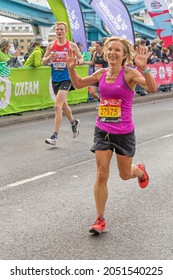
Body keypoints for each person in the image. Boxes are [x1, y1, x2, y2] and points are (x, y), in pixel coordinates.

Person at [66, 36, 157, 234]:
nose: (113, 53)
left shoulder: (130, 74)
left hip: (124, 133)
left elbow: (152, 88)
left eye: (117, 50)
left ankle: (139, 171)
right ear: (106, 53)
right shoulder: (101, 73)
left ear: (125, 55)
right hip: (103, 131)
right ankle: (100, 219)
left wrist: (145, 68)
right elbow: (80, 84)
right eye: (110, 49)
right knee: (101, 173)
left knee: (125, 175)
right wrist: (71, 69)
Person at [42, 22, 84, 145]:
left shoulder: (71, 45)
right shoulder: (51, 45)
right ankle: (73, 122)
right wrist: (50, 57)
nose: (59, 31)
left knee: (57, 106)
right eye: (57, 30)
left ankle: (54, 136)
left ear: (66, 31)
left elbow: (81, 59)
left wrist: (75, 61)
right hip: (55, 78)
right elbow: (43, 62)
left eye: (61, 29)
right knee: (64, 106)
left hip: (67, 78)